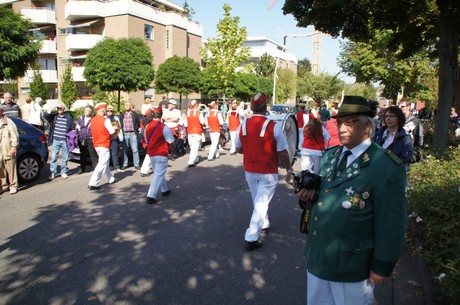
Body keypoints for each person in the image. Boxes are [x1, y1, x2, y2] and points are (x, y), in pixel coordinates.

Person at [297, 95, 407, 305]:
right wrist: (307, 199)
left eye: (350, 123)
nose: (341, 129)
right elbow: (325, 199)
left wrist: (382, 265)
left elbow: (391, 223)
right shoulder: (331, 156)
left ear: (368, 127)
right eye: (339, 123)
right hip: (320, 255)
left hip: (352, 263)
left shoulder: (385, 167)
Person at [235, 93, 293, 251]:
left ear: (252, 108)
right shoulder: (273, 126)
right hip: (268, 170)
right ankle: (251, 237)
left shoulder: (243, 124)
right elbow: (282, 152)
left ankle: (265, 223)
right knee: (261, 202)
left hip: (250, 169)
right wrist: (289, 169)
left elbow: (239, 148)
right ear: (265, 107)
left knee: (258, 199)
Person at [145, 107, 175, 204]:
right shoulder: (164, 127)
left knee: (158, 173)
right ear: (161, 115)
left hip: (151, 153)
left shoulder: (147, 126)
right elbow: (170, 141)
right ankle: (151, 195)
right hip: (161, 153)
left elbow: (146, 141)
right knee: (158, 174)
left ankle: (164, 189)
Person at [88, 103, 118, 190]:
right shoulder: (105, 120)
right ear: (103, 110)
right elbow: (112, 132)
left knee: (105, 162)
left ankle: (110, 178)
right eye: (105, 109)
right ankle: (93, 183)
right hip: (104, 143)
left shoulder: (92, 120)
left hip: (96, 144)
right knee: (102, 163)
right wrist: (116, 130)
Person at [44, 101, 74, 181]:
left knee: (65, 157)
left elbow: (72, 127)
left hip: (65, 140)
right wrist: (52, 108)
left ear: (64, 109)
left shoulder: (69, 118)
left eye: (60, 108)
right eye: (58, 108)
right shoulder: (54, 116)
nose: (59, 110)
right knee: (54, 157)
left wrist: (73, 132)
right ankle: (53, 173)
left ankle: (63, 172)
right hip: (56, 140)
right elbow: (45, 115)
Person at [300, 109, 330, 173]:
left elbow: (302, 138)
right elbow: (327, 137)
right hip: (317, 151)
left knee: (305, 169)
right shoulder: (321, 127)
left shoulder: (306, 126)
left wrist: (300, 147)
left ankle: (305, 180)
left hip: (305, 149)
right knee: (317, 170)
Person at [0, 108, 19, 194]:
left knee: (11, 168)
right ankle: (4, 186)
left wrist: (14, 147)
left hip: (8, 148)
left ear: (1, 111)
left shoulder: (8, 121)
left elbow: (15, 135)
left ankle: (13, 186)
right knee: (1, 169)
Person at [75, 105, 98, 174]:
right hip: (82, 139)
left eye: (87, 110)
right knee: (82, 154)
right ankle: (82, 168)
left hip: (91, 139)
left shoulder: (94, 119)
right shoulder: (81, 118)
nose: (85, 111)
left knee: (93, 154)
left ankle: (96, 169)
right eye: (85, 110)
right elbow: (77, 127)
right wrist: (78, 134)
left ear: (91, 112)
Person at [119, 101, 141, 170]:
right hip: (124, 134)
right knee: (125, 150)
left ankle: (136, 164)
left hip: (132, 134)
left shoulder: (135, 114)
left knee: (135, 150)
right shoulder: (122, 115)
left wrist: (136, 132)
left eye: (128, 105)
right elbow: (120, 124)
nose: (127, 106)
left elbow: (138, 123)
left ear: (131, 106)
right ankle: (125, 164)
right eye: (126, 105)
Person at [184, 100, 205, 168]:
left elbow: (185, 124)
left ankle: (195, 159)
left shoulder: (187, 114)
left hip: (190, 132)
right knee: (194, 148)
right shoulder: (199, 113)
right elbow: (202, 122)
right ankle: (191, 162)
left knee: (192, 147)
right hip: (197, 131)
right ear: (196, 105)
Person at [105, 105, 123, 173]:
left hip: (114, 137)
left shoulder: (116, 118)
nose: (109, 112)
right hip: (106, 137)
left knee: (114, 152)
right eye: (108, 110)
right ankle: (109, 166)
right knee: (107, 153)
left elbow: (119, 127)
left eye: (111, 111)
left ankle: (116, 166)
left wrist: (119, 134)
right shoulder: (104, 118)